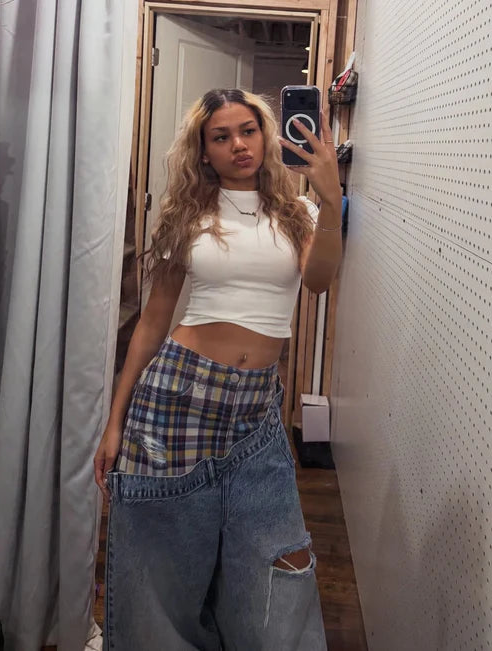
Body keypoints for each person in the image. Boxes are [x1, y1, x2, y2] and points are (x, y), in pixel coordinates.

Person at [94, 88, 342, 650]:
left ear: (266, 135)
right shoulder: (187, 216)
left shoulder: (298, 214)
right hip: (176, 399)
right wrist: (115, 421)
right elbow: (153, 322)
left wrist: (330, 200)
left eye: (248, 131)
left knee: (275, 560)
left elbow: (319, 281)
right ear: (204, 151)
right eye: (221, 137)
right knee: (163, 570)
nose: (239, 145)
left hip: (256, 409)